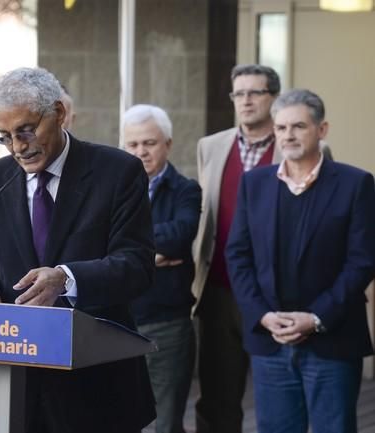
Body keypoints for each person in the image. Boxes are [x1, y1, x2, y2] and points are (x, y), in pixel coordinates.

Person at [0, 67, 156, 433]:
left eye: (26, 130)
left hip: (99, 389)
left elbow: (136, 266)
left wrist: (66, 278)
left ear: (59, 114)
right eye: (5, 138)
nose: (18, 147)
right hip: (17, 389)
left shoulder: (118, 171)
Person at [225, 89, 375, 433]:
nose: (288, 135)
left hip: (332, 340)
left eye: (299, 126)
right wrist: (261, 314)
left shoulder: (356, 184)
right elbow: (238, 254)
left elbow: (362, 261)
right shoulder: (254, 184)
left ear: (322, 130)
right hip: (270, 341)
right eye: (281, 128)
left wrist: (315, 317)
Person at [191, 64, 283, 433]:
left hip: (275, 292)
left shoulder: (296, 142)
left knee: (277, 395)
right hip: (218, 289)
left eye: (255, 92)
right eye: (238, 93)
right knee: (216, 395)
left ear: (273, 97)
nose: (245, 100)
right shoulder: (211, 146)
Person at [122, 104, 201, 433]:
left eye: (150, 143)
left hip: (167, 325)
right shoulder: (114, 190)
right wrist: (150, 253)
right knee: (119, 418)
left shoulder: (186, 190)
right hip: (118, 322)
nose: (141, 151)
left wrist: (127, 249)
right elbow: (96, 242)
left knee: (166, 422)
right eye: (133, 144)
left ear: (167, 143)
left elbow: (179, 237)